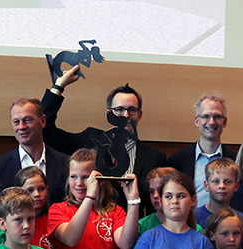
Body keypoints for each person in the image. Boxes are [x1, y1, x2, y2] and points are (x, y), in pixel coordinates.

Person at [41, 66, 167, 197]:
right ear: (109, 114)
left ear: (139, 115)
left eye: (132, 110)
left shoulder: (155, 158)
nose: (126, 115)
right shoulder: (89, 139)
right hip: (89, 215)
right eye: (119, 110)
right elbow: (44, 131)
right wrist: (58, 87)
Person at [0, 97, 70, 204]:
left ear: (43, 121)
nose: (22, 127)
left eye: (27, 120)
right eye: (16, 122)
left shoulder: (65, 164)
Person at [167, 93, 238, 209]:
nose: (211, 122)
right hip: (189, 225)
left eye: (217, 117)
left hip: (225, 224)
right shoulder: (177, 161)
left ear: (225, 122)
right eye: (205, 116)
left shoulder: (236, 161)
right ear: (197, 121)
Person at [193, 157, 243, 228]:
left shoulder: (242, 221)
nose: (222, 186)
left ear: (236, 186)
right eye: (216, 181)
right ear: (206, 185)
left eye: (227, 182)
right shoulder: (193, 218)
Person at [14, 165, 55, 249]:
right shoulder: (14, 223)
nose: (37, 194)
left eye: (41, 189)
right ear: (19, 192)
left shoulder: (54, 218)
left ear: (47, 189)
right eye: (30, 190)